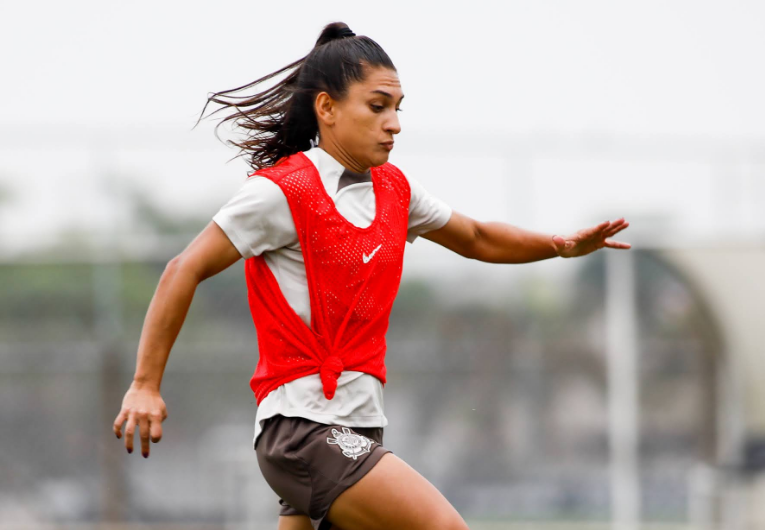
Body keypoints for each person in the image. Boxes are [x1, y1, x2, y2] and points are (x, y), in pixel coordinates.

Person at [112, 21, 631, 530]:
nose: (395, 123)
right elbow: (184, 268)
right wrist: (144, 384)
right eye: (378, 106)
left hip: (356, 431)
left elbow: (475, 238)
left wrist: (559, 248)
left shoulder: (395, 191)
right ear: (328, 109)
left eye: (398, 109)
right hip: (303, 431)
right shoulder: (283, 191)